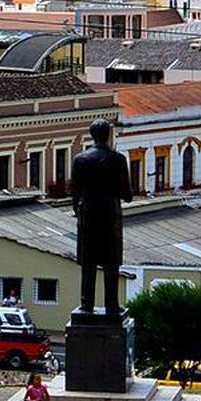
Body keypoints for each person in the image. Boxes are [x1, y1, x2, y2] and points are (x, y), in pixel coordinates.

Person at [70, 119, 133, 319]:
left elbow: (75, 192)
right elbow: (127, 194)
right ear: (108, 135)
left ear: (92, 135)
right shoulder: (118, 159)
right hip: (109, 212)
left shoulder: (80, 159)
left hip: (88, 212)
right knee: (111, 261)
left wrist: (78, 211)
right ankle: (112, 305)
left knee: (88, 261)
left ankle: (86, 304)